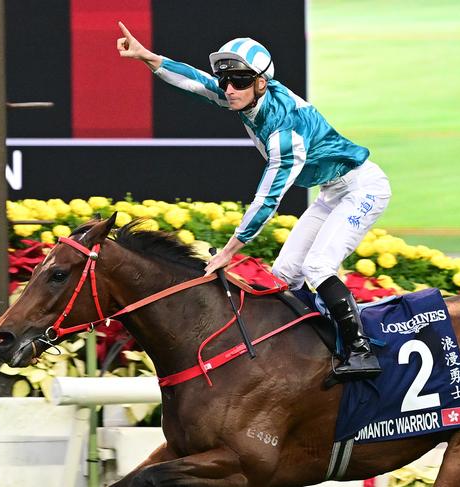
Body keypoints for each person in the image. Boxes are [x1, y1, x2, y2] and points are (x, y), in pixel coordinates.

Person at [116, 22, 391, 380]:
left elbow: (267, 200)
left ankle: (361, 351)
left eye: (240, 82)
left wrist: (228, 252)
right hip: (331, 192)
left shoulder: (285, 132)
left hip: (361, 189)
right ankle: (307, 352)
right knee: (284, 275)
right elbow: (198, 82)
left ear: (261, 82)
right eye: (226, 80)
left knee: (319, 267)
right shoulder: (246, 92)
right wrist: (147, 57)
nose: (229, 90)